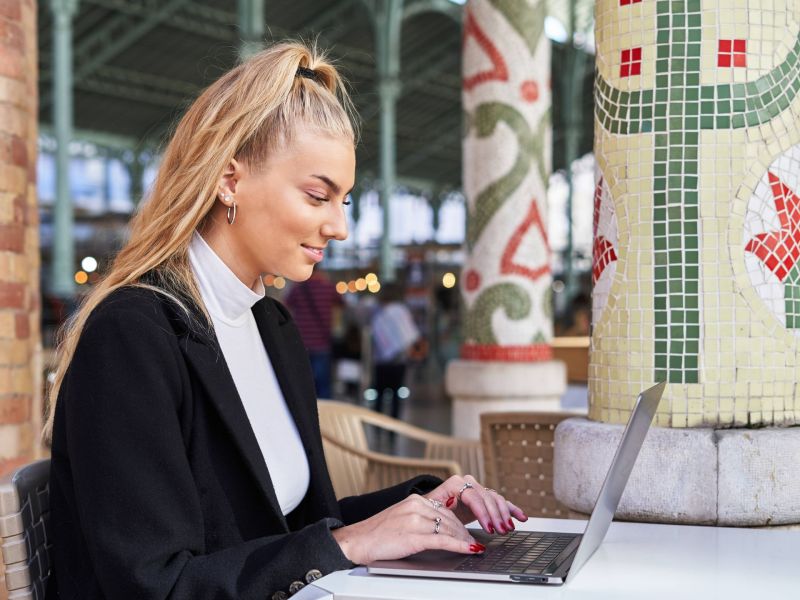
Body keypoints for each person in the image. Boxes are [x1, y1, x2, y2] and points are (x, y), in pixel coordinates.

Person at [44, 42, 526, 600]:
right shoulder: (134, 335)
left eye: (344, 200)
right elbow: (152, 586)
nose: (338, 226)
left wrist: (424, 504)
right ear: (230, 180)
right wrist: (347, 546)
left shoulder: (271, 327)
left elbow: (294, 527)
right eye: (318, 195)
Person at [285, 269, 342, 398]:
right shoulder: (328, 287)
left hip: (301, 342)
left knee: (303, 384)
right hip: (322, 342)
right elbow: (342, 304)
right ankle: (324, 415)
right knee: (323, 385)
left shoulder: (298, 289)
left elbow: (286, 304)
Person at [371, 282, 421, 418]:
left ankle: (378, 428)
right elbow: (411, 335)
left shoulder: (378, 312)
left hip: (381, 361)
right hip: (399, 361)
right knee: (396, 397)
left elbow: (375, 335)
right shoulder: (401, 311)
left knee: (379, 396)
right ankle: (393, 430)